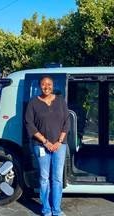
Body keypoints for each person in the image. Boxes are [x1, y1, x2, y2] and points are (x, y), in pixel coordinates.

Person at [25, 75, 70, 216]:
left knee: (57, 178)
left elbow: (67, 122)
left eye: (49, 84)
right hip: (41, 145)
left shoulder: (61, 101)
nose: (46, 87)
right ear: (39, 86)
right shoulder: (33, 103)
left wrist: (59, 142)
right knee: (44, 178)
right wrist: (45, 142)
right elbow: (29, 125)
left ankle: (56, 210)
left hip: (59, 146)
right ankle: (46, 209)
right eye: (44, 84)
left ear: (53, 86)